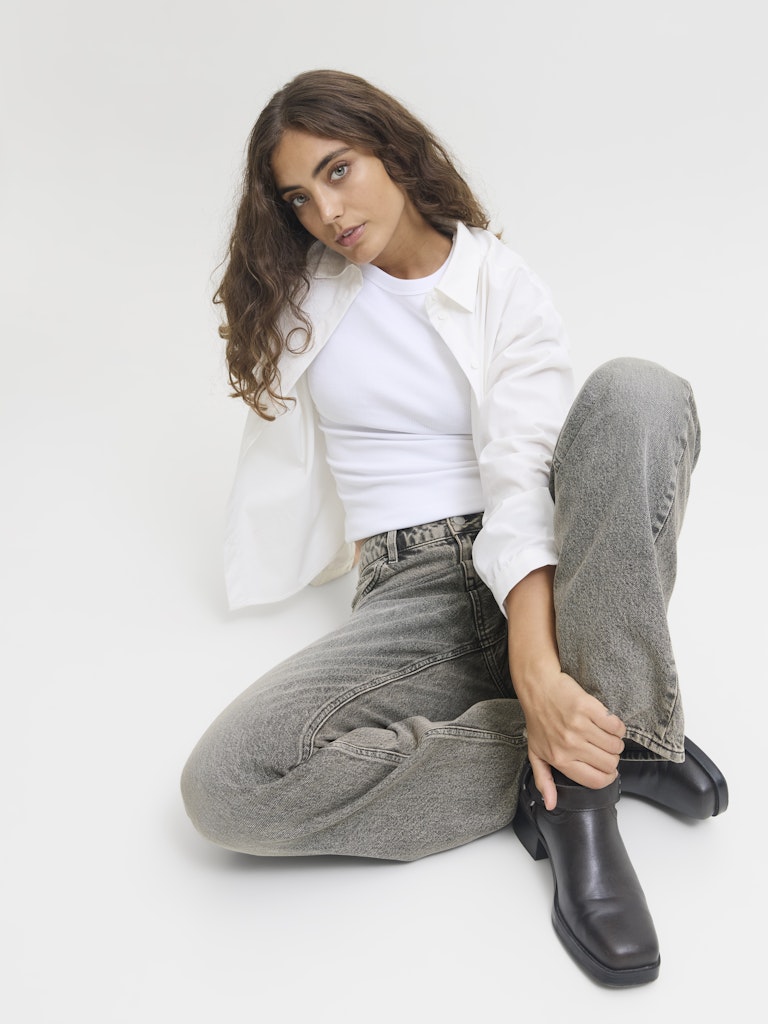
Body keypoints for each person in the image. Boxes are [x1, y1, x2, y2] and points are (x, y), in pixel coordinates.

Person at [181, 69, 728, 987]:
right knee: (227, 787)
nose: (326, 211)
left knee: (639, 390)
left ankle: (579, 793)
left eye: (339, 170)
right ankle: (610, 739)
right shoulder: (304, 294)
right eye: (299, 196)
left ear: (393, 150)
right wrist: (535, 698)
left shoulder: (500, 285)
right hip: (410, 591)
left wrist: (534, 658)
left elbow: (521, 478)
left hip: (533, 556)